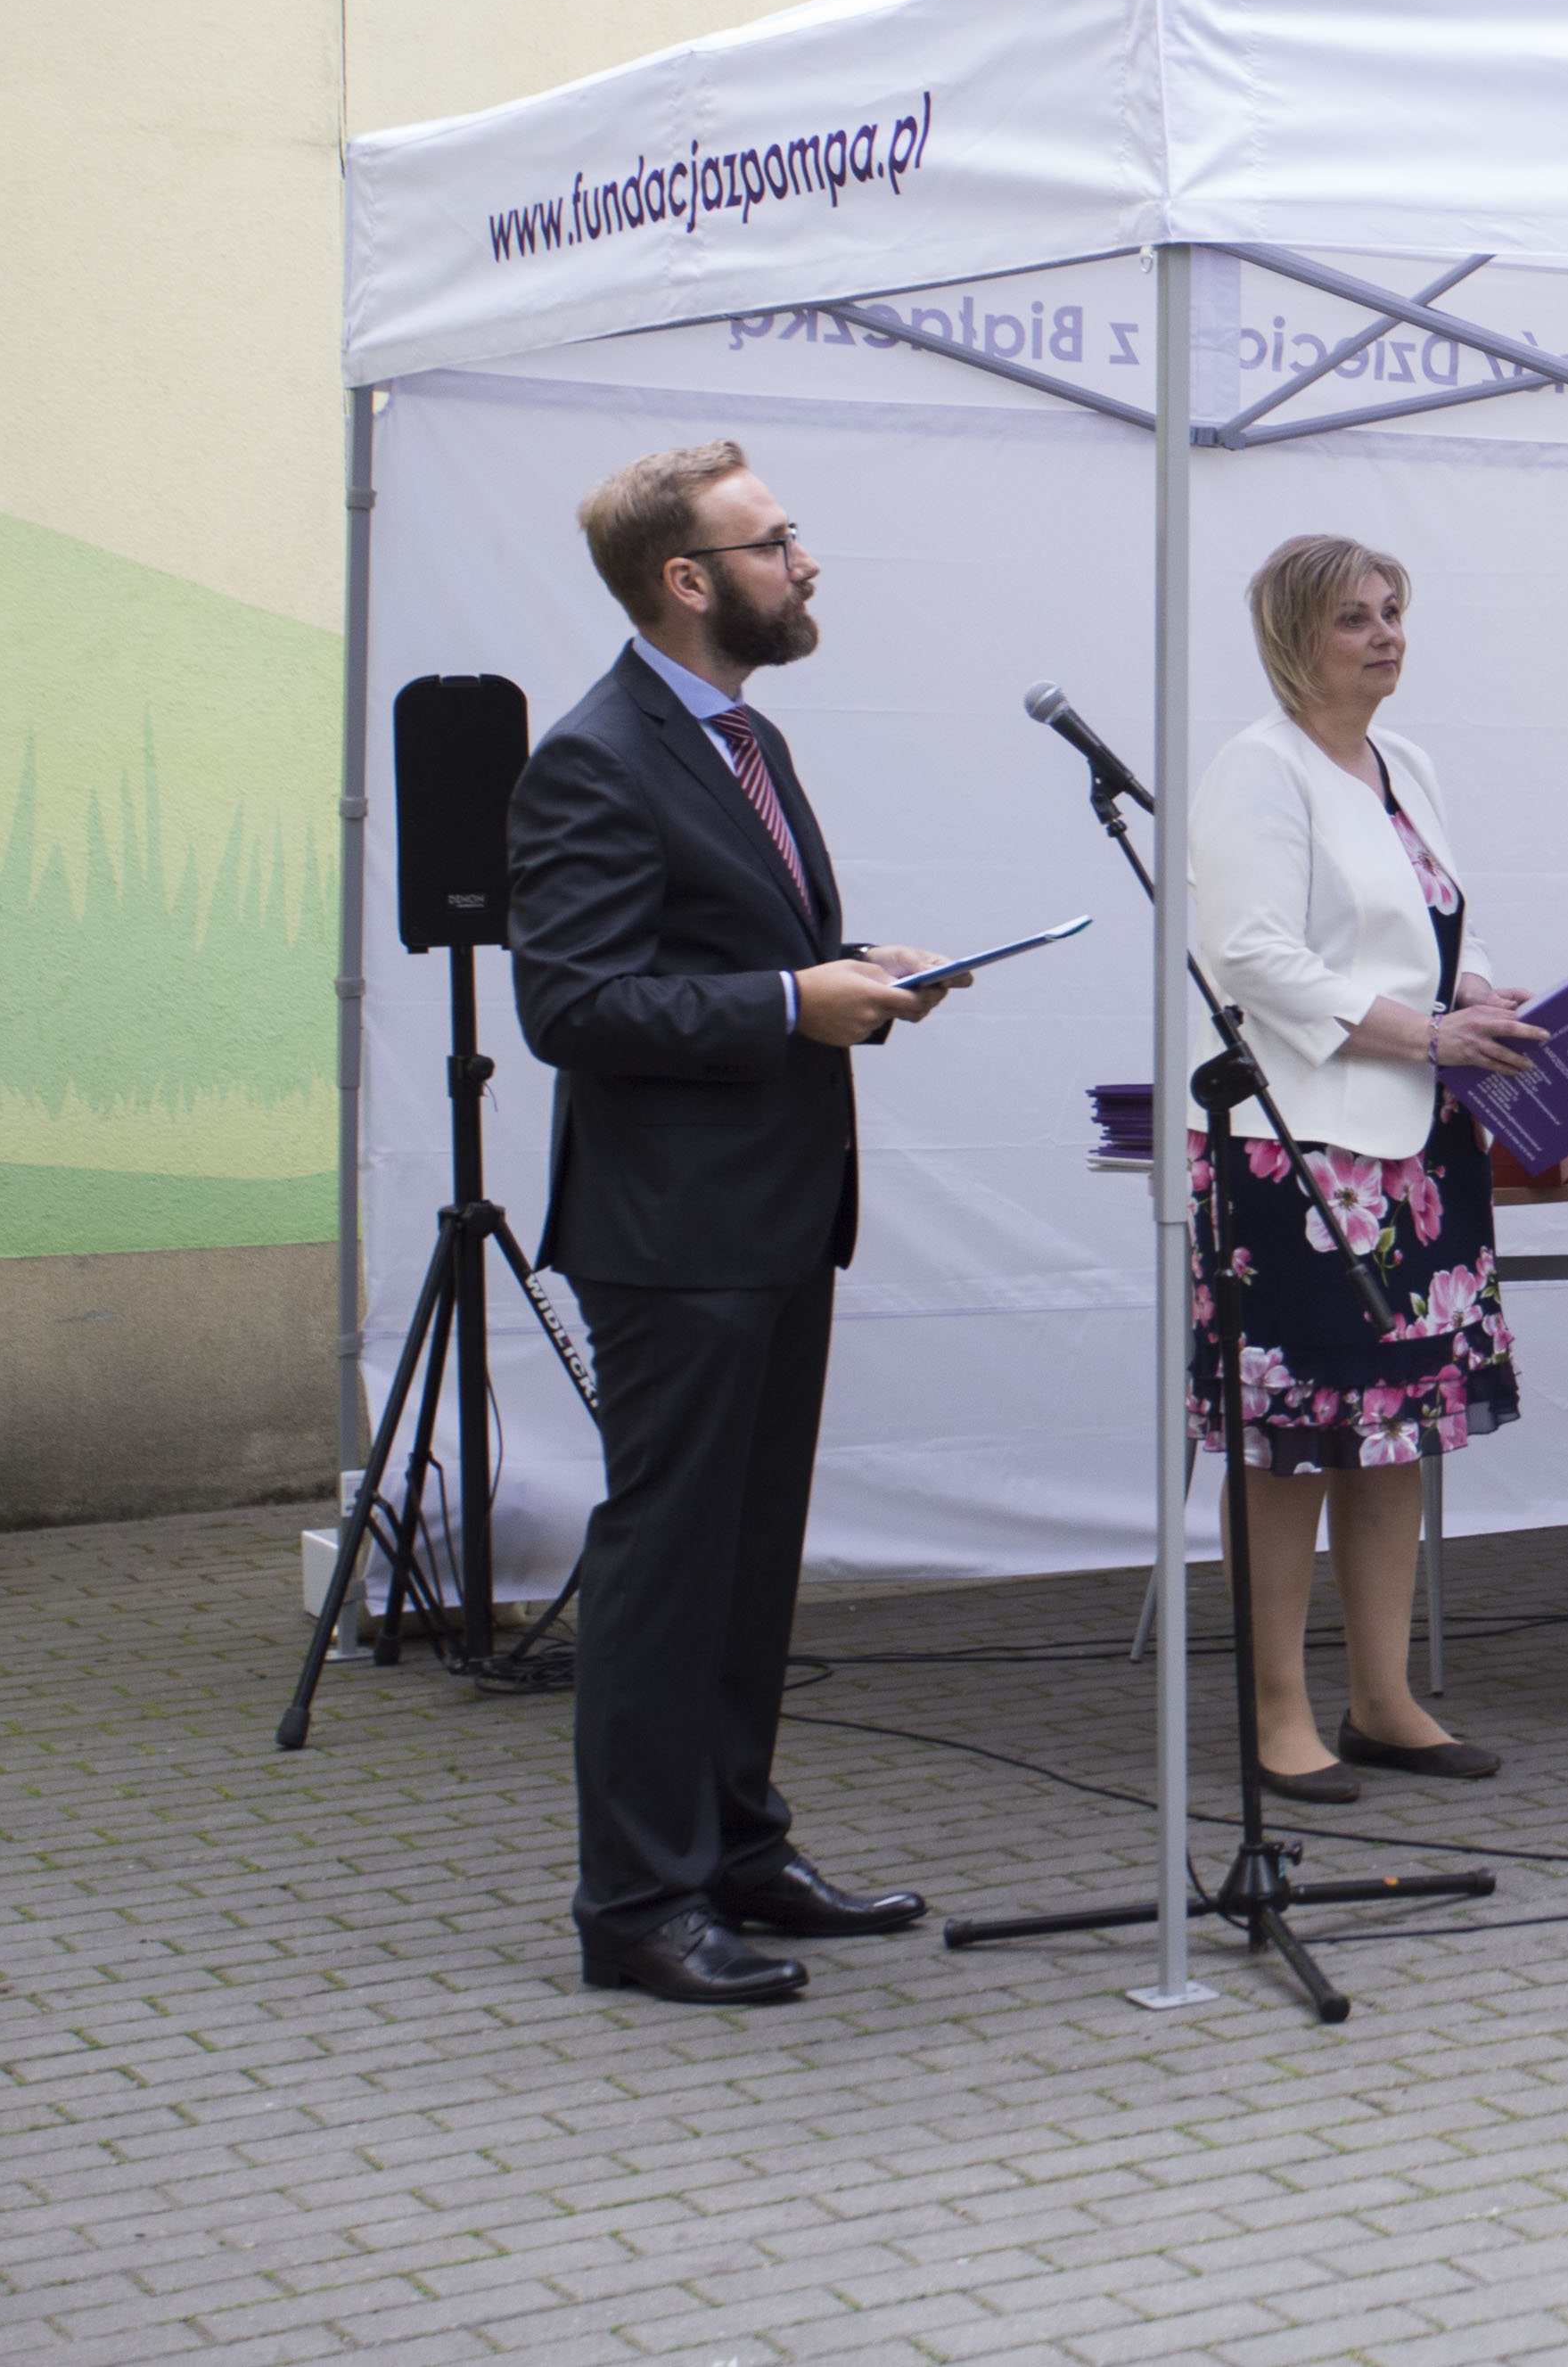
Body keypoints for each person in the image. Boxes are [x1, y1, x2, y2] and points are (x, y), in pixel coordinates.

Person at [510, 440, 956, 2007]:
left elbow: (715, 946)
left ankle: (738, 1847)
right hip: (674, 1233)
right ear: (686, 578)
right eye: (774, 542)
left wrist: (849, 971)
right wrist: (788, 1000)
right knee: (669, 1559)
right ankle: (637, 1902)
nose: (805, 561)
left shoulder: (739, 736)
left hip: (772, 1213)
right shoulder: (595, 754)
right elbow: (572, 1002)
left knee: (752, 1557)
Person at [1187, 533, 1545, 1796]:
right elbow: (1252, 958)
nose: (1386, 633)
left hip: (1418, 1142)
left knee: (1394, 1431)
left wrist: (1480, 993)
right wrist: (1427, 1031)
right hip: (1298, 1153)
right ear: (1295, 637)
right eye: (1355, 616)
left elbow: (1438, 927)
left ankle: (1384, 1697)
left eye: (1394, 609)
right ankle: (1279, 1711)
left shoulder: (1407, 764)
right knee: (1291, 1439)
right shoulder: (1260, 765)